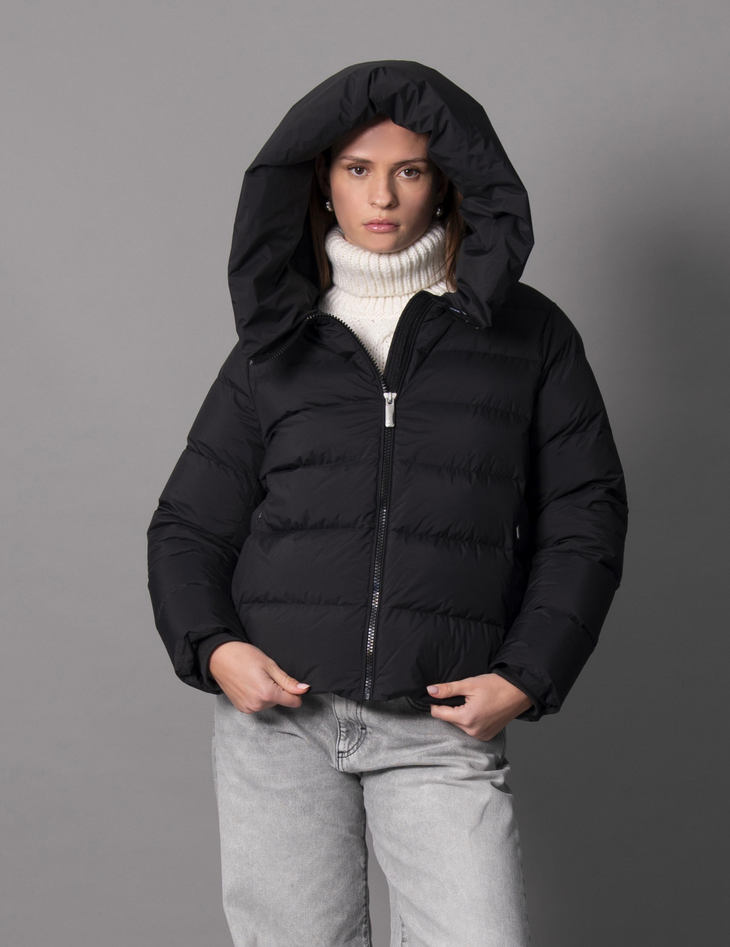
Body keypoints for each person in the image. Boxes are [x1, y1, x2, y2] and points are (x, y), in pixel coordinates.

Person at [147, 60, 628, 947]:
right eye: (357, 169)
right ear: (321, 181)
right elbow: (187, 525)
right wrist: (215, 647)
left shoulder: (529, 334)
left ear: (444, 180)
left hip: (439, 723)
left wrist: (526, 673)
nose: (382, 196)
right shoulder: (275, 342)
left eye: (409, 169)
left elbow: (582, 516)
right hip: (280, 723)